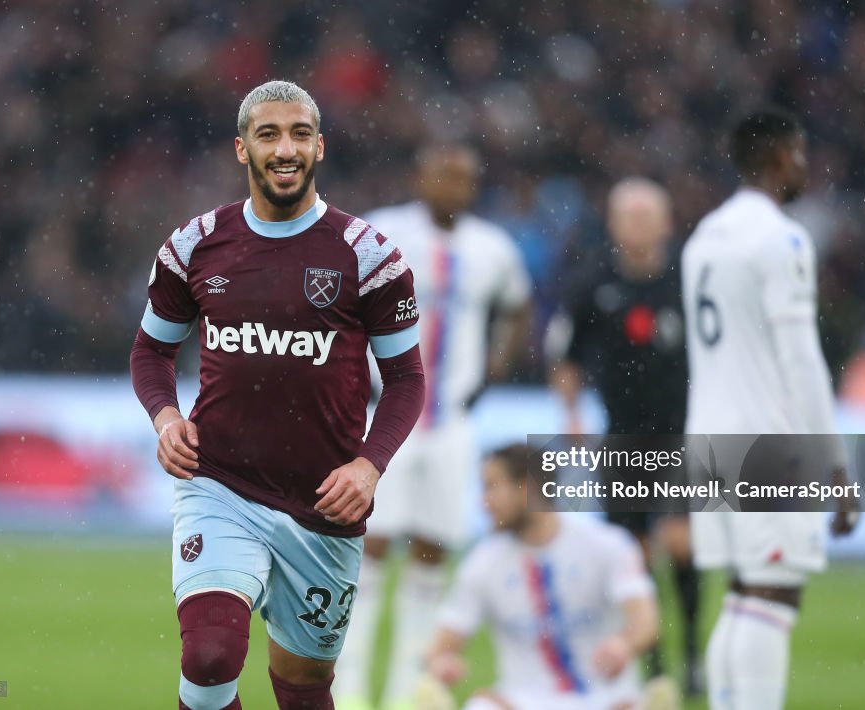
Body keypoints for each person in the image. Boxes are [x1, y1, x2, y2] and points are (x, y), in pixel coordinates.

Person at [129, 80, 425, 710]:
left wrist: (369, 467)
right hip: (221, 484)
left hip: (325, 502)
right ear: (243, 149)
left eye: (298, 134)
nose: (284, 149)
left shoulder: (368, 256)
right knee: (209, 659)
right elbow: (150, 351)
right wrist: (165, 418)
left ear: (320, 146)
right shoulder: (194, 246)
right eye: (268, 134)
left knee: (305, 684)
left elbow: (406, 380)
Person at [333, 144, 533, 710]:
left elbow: (518, 306)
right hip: (384, 416)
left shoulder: (491, 248)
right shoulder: (380, 234)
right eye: (445, 175)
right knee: (368, 546)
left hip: (450, 423)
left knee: (433, 551)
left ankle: (405, 694)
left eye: (466, 178)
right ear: (420, 176)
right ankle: (348, 690)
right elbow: (337, 303)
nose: (455, 186)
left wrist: (498, 363)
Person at [682, 108, 859, 710]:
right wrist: (834, 464)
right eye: (802, 154)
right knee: (774, 596)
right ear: (781, 158)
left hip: (707, 437)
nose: (806, 167)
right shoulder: (781, 238)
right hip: (765, 441)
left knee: (743, 594)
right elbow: (802, 358)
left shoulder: (704, 235)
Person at [550, 178, 701, 695]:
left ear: (666, 221)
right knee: (633, 554)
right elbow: (565, 358)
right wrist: (571, 416)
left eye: (646, 214)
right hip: (622, 439)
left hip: (683, 434)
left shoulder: (690, 278)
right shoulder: (592, 280)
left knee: (682, 545)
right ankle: (654, 661)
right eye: (627, 215)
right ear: (613, 222)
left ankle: (693, 653)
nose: (637, 224)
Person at [423, 443, 659, 710]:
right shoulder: (483, 562)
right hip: (522, 701)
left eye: (492, 487)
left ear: (528, 487)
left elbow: (646, 621)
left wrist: (623, 644)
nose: (484, 502)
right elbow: (441, 645)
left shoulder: (607, 544)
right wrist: (441, 663)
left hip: (605, 698)